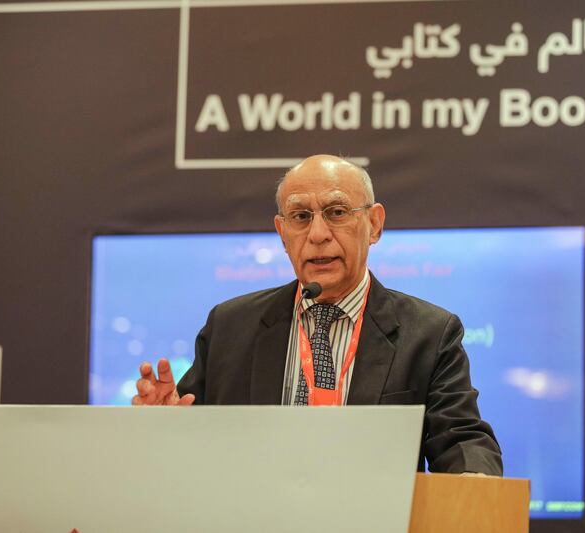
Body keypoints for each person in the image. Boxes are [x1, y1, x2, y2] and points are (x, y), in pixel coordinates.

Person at [132, 154, 502, 475]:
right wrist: (164, 431)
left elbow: (461, 440)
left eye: (337, 212)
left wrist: (475, 475)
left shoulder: (428, 334)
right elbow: (190, 450)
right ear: (282, 232)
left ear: (373, 225)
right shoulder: (231, 327)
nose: (318, 234)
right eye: (301, 216)